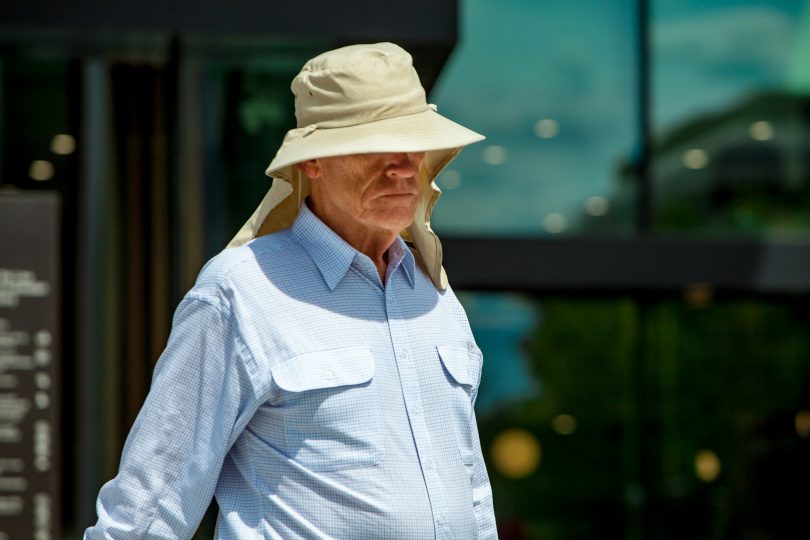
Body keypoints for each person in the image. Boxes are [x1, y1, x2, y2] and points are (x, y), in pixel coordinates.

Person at [85, 42, 496, 539]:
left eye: (413, 144)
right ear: (311, 163)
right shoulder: (240, 291)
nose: (403, 167)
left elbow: (472, 490)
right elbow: (150, 506)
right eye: (374, 146)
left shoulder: (436, 300)